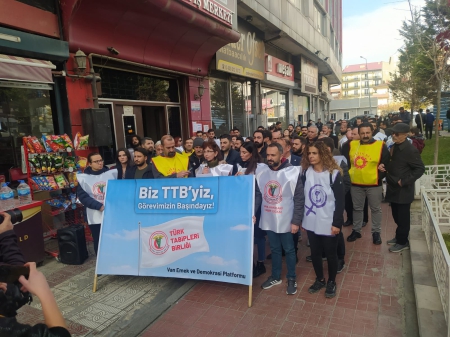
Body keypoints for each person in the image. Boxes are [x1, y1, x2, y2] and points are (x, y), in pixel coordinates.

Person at [255, 143, 304, 295]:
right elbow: (258, 194)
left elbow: (299, 199)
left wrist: (296, 221)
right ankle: (275, 276)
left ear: (281, 156)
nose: (269, 158)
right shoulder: (262, 172)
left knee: (289, 249)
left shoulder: (292, 172)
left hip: (286, 219)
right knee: (275, 249)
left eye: (273, 155)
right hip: (269, 217)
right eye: (267, 155)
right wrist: (253, 211)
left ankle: (291, 277)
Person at [301, 141, 344, 298]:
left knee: (331, 254)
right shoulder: (305, 172)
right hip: (311, 220)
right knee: (315, 252)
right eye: (309, 153)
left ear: (322, 154)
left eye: (314, 153)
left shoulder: (333, 174)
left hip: (328, 221)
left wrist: (337, 223)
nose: (311, 156)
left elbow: (340, 201)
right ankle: (320, 279)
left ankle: (331, 281)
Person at [379, 123, 425, 252]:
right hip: (393, 187)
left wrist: (404, 181)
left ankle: (403, 241)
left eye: (397, 134)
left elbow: (420, 169)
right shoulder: (394, 147)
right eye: (393, 133)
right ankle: (399, 236)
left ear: (405, 135)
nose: (393, 135)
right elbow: (392, 163)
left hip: (403, 190)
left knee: (403, 217)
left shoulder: (410, 150)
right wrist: (384, 166)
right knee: (395, 215)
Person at [343, 123, 390, 245]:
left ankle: (376, 233)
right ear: (359, 133)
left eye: (367, 133)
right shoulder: (351, 145)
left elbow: (386, 164)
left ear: (372, 131)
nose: (365, 135)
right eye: (362, 133)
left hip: (374, 184)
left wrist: (380, 175)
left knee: (375, 209)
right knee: (357, 208)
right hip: (355, 183)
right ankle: (356, 230)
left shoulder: (381, 146)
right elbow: (346, 162)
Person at [235, 142, 267, 278]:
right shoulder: (240, 165)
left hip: (256, 207)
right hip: (244, 205)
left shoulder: (259, 167)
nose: (241, 155)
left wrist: (254, 210)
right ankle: (250, 263)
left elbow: (259, 192)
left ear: (252, 153)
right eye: (240, 152)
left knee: (258, 236)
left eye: (244, 153)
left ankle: (261, 263)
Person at [77, 153, 116, 255]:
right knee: (98, 239)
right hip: (95, 214)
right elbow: (83, 197)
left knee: (113, 237)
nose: (100, 163)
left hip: (111, 212)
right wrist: (99, 206)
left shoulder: (110, 174)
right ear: (90, 164)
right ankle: (100, 263)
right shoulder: (84, 178)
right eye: (96, 161)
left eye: (101, 160)